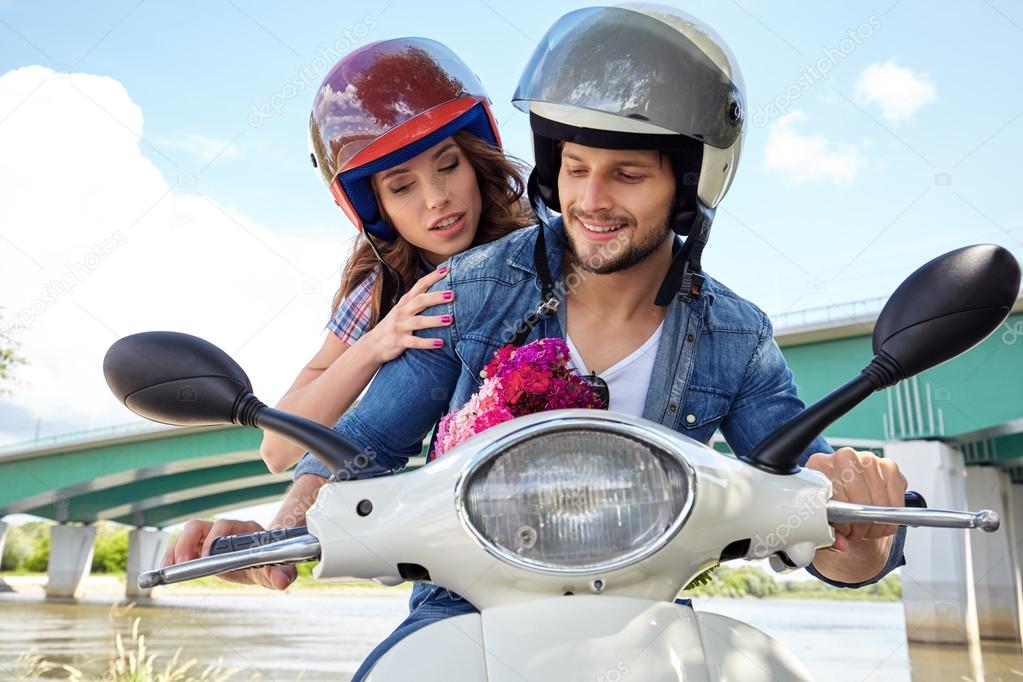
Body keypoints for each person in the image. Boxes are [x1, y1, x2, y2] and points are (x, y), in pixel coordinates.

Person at [165, 6, 908, 677]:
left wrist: (857, 533)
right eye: (575, 169)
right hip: (460, 616)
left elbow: (793, 473)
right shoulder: (467, 290)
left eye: (626, 174)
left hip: (645, 618)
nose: (591, 199)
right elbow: (364, 448)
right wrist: (278, 533)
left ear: (685, 188)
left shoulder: (735, 335)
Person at [258, 36, 532, 475]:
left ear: (476, 160)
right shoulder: (382, 287)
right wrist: (378, 342)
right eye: (402, 187)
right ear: (376, 209)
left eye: (448, 165)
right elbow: (278, 451)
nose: (437, 199)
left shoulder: (541, 239)